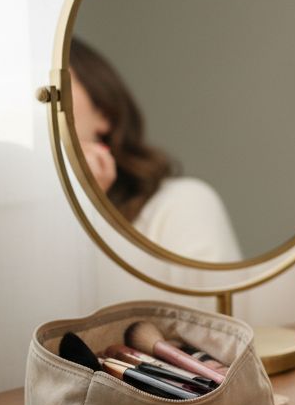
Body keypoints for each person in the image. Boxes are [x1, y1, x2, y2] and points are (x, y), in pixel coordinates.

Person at [68, 37, 242, 264]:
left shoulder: (180, 205)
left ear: (103, 112)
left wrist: (89, 210)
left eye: (58, 86)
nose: (43, 102)